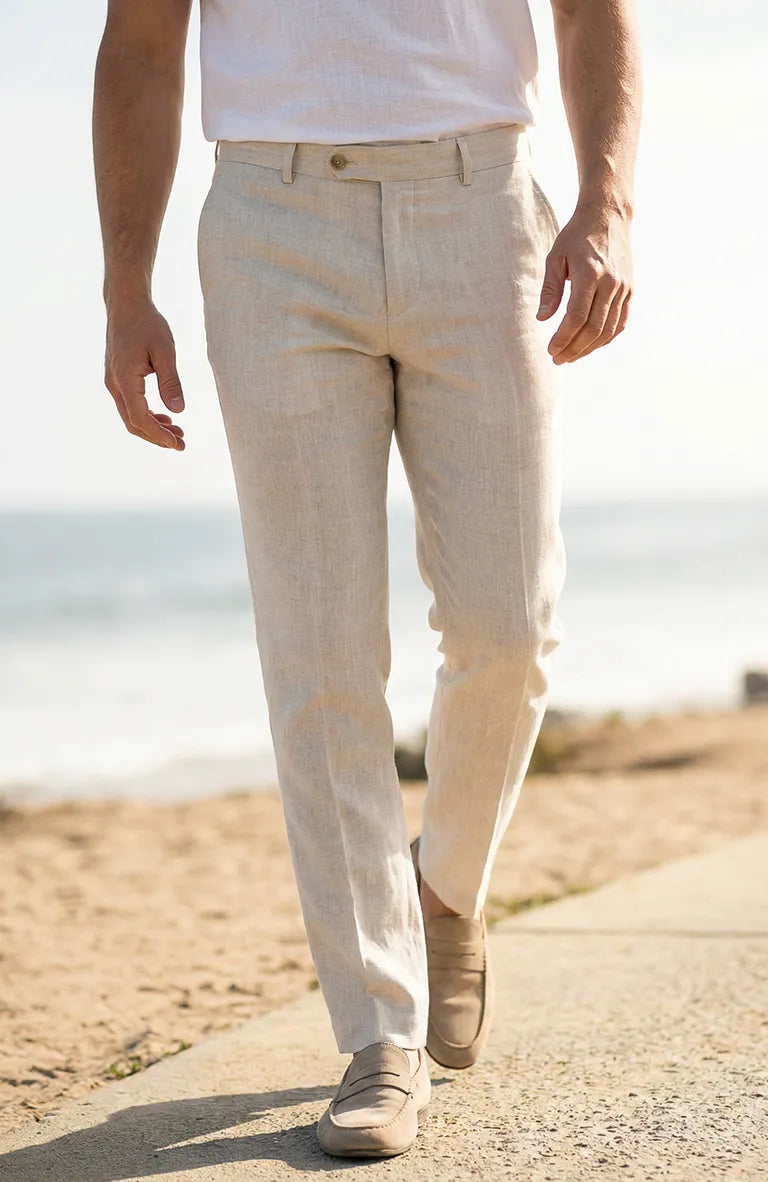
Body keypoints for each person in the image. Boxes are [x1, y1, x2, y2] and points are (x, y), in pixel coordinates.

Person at [92, 0, 641, 1160]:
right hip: (270, 225)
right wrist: (123, 290)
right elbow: (142, 46)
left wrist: (608, 205)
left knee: (511, 623)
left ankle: (442, 895)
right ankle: (379, 1032)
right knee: (321, 655)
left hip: (482, 205)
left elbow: (593, 8)